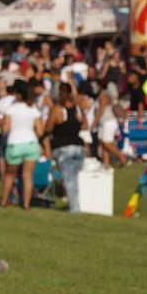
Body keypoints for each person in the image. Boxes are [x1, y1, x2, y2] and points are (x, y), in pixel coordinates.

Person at [0, 81, 44, 209]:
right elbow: (40, 131)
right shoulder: (34, 109)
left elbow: (5, 129)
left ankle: (4, 201)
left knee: (10, 175)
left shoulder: (12, 109)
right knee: (28, 176)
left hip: (15, 143)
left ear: (18, 95)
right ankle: (26, 204)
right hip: (31, 143)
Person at [46, 82, 90, 213]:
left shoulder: (57, 110)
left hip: (63, 147)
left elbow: (48, 127)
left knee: (69, 179)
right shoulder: (78, 109)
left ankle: (75, 208)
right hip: (79, 147)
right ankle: (75, 202)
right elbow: (85, 126)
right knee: (74, 178)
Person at [94, 83, 129, 167]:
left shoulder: (104, 96)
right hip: (104, 122)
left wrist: (95, 122)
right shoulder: (103, 95)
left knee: (107, 143)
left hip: (108, 121)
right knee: (103, 143)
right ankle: (106, 163)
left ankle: (122, 157)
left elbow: (101, 110)